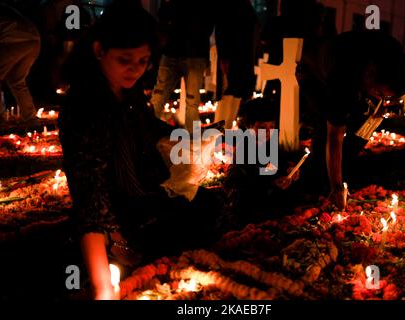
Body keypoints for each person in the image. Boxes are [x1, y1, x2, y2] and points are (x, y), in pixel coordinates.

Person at [59, 6, 223, 300]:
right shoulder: (85, 107)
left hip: (141, 199)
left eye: (143, 61)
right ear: (99, 50)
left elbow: (147, 126)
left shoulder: (127, 91)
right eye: (125, 60)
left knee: (208, 206)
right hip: (114, 217)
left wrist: (190, 139)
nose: (135, 69)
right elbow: (90, 194)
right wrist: (103, 286)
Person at [299, 30, 405, 209]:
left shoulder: (392, 57)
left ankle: (342, 167)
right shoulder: (342, 79)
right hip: (314, 75)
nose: (381, 99)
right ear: (369, 73)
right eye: (379, 93)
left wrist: (377, 104)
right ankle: (315, 182)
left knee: (364, 121)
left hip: (352, 74)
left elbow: (379, 86)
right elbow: (334, 137)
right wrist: (336, 186)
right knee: (324, 127)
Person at [223, 98, 300, 228]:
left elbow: (277, 163)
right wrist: (272, 182)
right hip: (250, 203)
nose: (268, 132)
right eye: (262, 127)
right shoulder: (244, 148)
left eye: (272, 126)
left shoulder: (270, 143)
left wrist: (289, 170)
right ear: (249, 126)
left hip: (271, 198)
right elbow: (250, 177)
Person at [149, 0, 220, 133]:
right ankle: (146, 134)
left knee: (162, 95)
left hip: (185, 50)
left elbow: (164, 15)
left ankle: (146, 133)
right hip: (187, 50)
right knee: (187, 100)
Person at [214, 0, 258, 129]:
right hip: (232, 58)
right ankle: (222, 127)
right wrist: (223, 56)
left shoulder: (247, 8)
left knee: (239, 92)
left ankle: (232, 125)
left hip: (245, 58)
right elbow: (221, 30)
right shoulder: (229, 7)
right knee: (229, 93)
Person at [0, 3, 40, 123]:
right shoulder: (6, 8)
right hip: (34, 40)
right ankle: (30, 117)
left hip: (13, 40)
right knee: (16, 80)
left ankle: (0, 118)